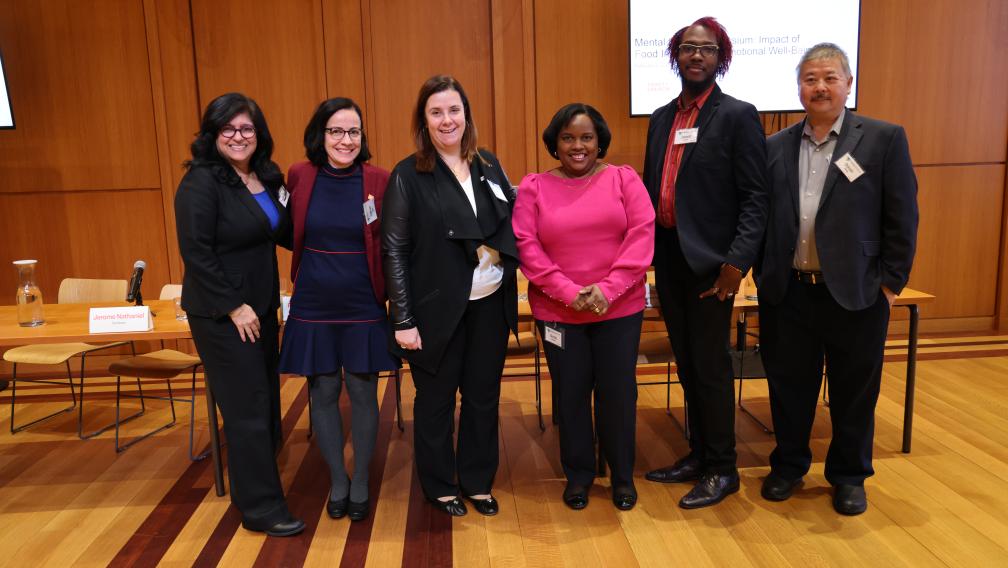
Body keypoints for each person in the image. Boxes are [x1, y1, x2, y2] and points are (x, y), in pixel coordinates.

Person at [756, 43, 918, 515]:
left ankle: (849, 475)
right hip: (789, 293)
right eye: (810, 78)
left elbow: (902, 217)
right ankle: (788, 466)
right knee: (789, 387)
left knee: (854, 390)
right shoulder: (775, 146)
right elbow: (764, 216)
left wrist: (890, 285)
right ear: (799, 87)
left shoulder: (883, 139)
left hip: (858, 293)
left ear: (848, 84)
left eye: (829, 77)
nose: (819, 87)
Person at [642, 16, 769, 509]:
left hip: (714, 267)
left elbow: (756, 198)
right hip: (670, 259)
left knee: (712, 367)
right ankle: (698, 455)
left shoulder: (737, 116)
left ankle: (723, 468)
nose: (697, 55)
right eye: (689, 48)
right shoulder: (660, 118)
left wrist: (738, 263)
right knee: (688, 364)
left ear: (722, 58)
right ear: (675, 56)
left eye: (708, 49)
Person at [382, 75, 519, 517]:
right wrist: (403, 320)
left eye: (454, 110)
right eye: (436, 112)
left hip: (489, 304)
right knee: (436, 402)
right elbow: (395, 251)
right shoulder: (408, 175)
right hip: (435, 311)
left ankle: (478, 482)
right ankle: (441, 485)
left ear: (466, 115)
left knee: (483, 398)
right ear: (423, 121)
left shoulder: (488, 164)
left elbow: (509, 220)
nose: (447, 120)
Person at [512, 103, 654, 511]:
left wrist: (606, 290)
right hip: (560, 313)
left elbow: (642, 237)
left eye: (587, 137)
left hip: (619, 309)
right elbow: (527, 246)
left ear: (600, 141)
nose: (578, 146)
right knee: (571, 396)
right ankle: (578, 476)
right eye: (568, 138)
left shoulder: (623, 180)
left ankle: (622, 476)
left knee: (618, 394)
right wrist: (568, 291)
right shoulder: (534, 187)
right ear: (555, 143)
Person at [175, 92, 303, 537]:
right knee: (247, 408)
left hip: (263, 310)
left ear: (259, 134)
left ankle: (261, 482)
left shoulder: (265, 177)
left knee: (265, 400)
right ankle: (261, 509)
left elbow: (288, 233)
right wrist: (235, 305)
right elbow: (197, 253)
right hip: (224, 315)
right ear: (212, 136)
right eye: (227, 129)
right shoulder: (201, 183)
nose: (238, 136)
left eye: (246, 128)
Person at [279, 98, 399, 522]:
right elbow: (284, 230)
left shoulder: (380, 180)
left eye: (353, 132)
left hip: (363, 300)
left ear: (362, 137)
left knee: (365, 393)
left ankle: (362, 478)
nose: (345, 140)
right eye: (336, 131)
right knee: (323, 392)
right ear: (321, 135)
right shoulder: (299, 175)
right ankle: (339, 479)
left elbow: (392, 243)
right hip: (313, 299)